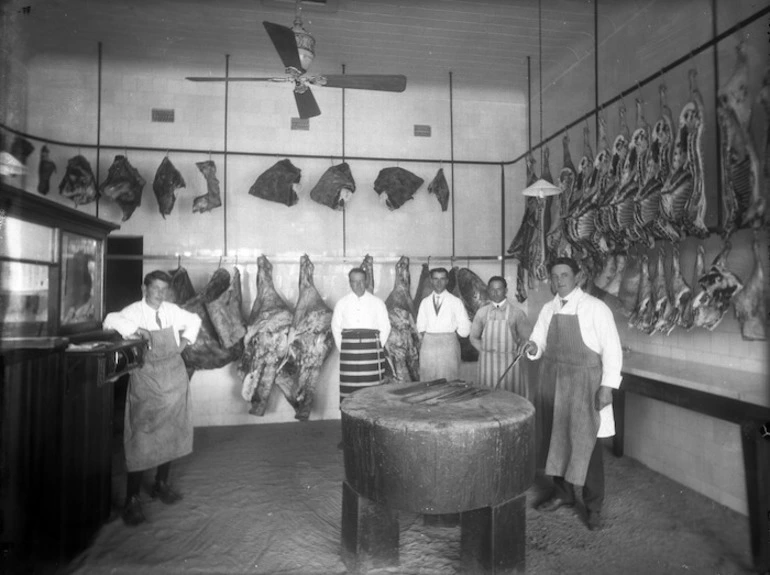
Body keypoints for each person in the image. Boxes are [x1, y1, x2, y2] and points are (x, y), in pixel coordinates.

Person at [516, 257, 622, 531]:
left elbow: (612, 350)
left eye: (564, 275)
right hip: (553, 381)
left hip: (585, 384)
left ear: (578, 277)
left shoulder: (595, 308)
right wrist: (531, 348)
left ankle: (593, 506)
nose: (558, 281)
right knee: (556, 438)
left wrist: (607, 387)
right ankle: (563, 494)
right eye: (554, 276)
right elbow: (538, 342)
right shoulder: (548, 309)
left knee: (587, 444)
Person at [103, 270, 202, 527]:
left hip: (173, 377)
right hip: (146, 380)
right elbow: (109, 320)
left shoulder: (172, 310)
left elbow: (195, 320)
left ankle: (160, 483)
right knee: (141, 436)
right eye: (155, 288)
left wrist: (184, 343)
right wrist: (137, 330)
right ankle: (132, 499)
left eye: (163, 289)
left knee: (169, 432)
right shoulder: (133, 311)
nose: (160, 294)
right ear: (144, 287)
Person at [331, 267, 391, 404]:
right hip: (349, 352)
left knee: (372, 388)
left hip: (372, 351)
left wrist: (376, 346)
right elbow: (335, 327)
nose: (358, 285)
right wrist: (345, 348)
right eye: (354, 282)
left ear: (367, 281)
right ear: (349, 283)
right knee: (350, 387)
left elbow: (385, 327)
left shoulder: (377, 302)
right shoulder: (342, 303)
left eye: (361, 281)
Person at [469, 276, 532, 395]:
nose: (495, 292)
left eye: (499, 289)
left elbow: (526, 339)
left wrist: (516, 352)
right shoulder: (481, 313)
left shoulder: (517, 313)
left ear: (506, 291)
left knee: (511, 400)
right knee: (487, 400)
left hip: (510, 365)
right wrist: (485, 351)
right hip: (487, 366)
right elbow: (473, 337)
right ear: (488, 291)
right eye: (492, 289)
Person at [415, 267, 471, 381]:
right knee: (428, 380)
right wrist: (431, 337)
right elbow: (420, 325)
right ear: (431, 280)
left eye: (442, 279)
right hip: (429, 346)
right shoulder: (425, 302)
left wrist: (451, 337)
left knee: (449, 379)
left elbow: (465, 326)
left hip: (449, 344)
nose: (439, 282)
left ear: (447, 281)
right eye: (435, 279)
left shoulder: (456, 301)